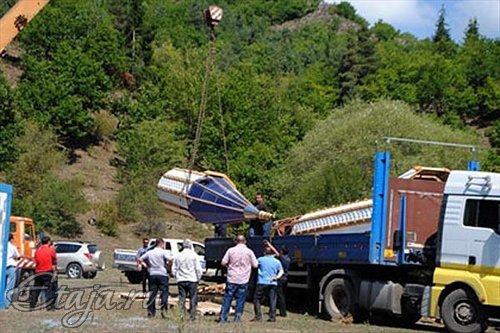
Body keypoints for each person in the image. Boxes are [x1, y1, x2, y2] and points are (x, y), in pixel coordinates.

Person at [218, 235, 258, 323]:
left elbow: (223, 262)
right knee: (240, 300)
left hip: (232, 278)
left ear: (235, 241)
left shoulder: (231, 250)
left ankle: (223, 318)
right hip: (243, 279)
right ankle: (237, 319)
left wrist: (229, 266)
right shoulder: (249, 252)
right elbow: (255, 265)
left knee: (227, 298)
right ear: (245, 241)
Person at [138, 238, 171, 318]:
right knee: (164, 293)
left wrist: (146, 266)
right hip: (162, 274)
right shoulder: (164, 252)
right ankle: (164, 311)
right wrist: (169, 266)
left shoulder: (150, 252)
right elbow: (170, 259)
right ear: (162, 244)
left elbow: (140, 259)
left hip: (152, 273)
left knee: (152, 293)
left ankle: (151, 312)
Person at [172, 239, 203, 321]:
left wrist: (177, 277)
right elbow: (198, 269)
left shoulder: (178, 255)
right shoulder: (194, 255)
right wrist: (198, 278)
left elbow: (174, 269)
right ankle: (192, 316)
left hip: (181, 279)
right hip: (192, 279)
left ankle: (181, 315)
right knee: (193, 298)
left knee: (182, 298)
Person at [252, 242, 283, 322]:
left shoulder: (260, 259)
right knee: (272, 300)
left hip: (262, 282)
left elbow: (254, 265)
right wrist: (276, 277)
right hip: (273, 283)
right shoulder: (277, 262)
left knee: (256, 298)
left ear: (264, 252)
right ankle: (272, 317)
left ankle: (258, 316)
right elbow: (281, 271)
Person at [30, 236, 57, 311]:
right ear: (48, 242)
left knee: (36, 289)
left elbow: (36, 260)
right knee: (49, 289)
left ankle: (32, 305)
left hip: (38, 271)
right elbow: (54, 261)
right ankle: (49, 306)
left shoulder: (37, 251)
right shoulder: (51, 251)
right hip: (48, 271)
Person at [5, 233, 20, 308]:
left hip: (2, 266)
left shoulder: (2, 246)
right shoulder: (12, 247)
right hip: (11, 266)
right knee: (10, 285)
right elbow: (17, 256)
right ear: (11, 239)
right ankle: (6, 303)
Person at [277, 245, 291, 317]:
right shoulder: (288, 259)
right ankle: (283, 312)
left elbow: (276, 253)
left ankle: (282, 312)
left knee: (280, 296)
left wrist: (268, 244)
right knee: (283, 295)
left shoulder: (282, 258)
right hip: (286, 278)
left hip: (281, 278)